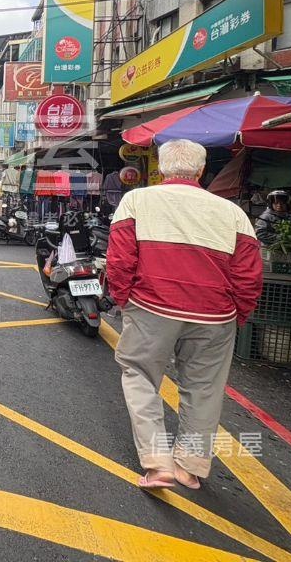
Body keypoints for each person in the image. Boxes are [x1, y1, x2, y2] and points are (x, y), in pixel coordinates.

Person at [107, 139, 263, 491]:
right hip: (216, 315)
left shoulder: (137, 200)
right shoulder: (233, 213)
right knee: (204, 389)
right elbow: (249, 275)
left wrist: (123, 300)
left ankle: (157, 462)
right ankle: (189, 467)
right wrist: (238, 314)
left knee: (140, 376)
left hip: (152, 306)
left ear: (161, 169)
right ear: (201, 171)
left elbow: (119, 261)